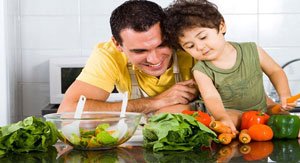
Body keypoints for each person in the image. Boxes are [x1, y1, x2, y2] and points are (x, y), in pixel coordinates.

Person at [164, 0, 294, 133]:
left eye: (203, 37)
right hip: (233, 114)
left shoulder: (252, 50)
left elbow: (275, 71)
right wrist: (222, 117)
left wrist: (285, 95)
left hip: (262, 110)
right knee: (228, 121)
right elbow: (211, 97)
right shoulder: (200, 71)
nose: (200, 47)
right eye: (190, 46)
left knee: (288, 120)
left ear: (221, 26)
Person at [57, 0, 198, 114]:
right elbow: (67, 112)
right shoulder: (109, 55)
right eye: (140, 51)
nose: (154, 59)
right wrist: (156, 101)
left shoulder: (191, 44)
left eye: (162, 45)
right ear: (117, 44)